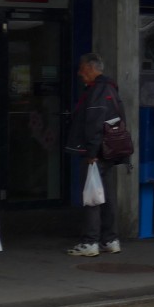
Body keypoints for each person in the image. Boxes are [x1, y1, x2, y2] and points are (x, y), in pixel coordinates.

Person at [65, 52, 127, 257]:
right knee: (107, 196)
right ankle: (110, 239)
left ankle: (89, 242)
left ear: (91, 69)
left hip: (96, 152)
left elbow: (93, 123)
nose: (79, 73)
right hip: (109, 150)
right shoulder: (111, 88)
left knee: (92, 196)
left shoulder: (97, 91)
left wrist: (91, 152)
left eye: (82, 69)